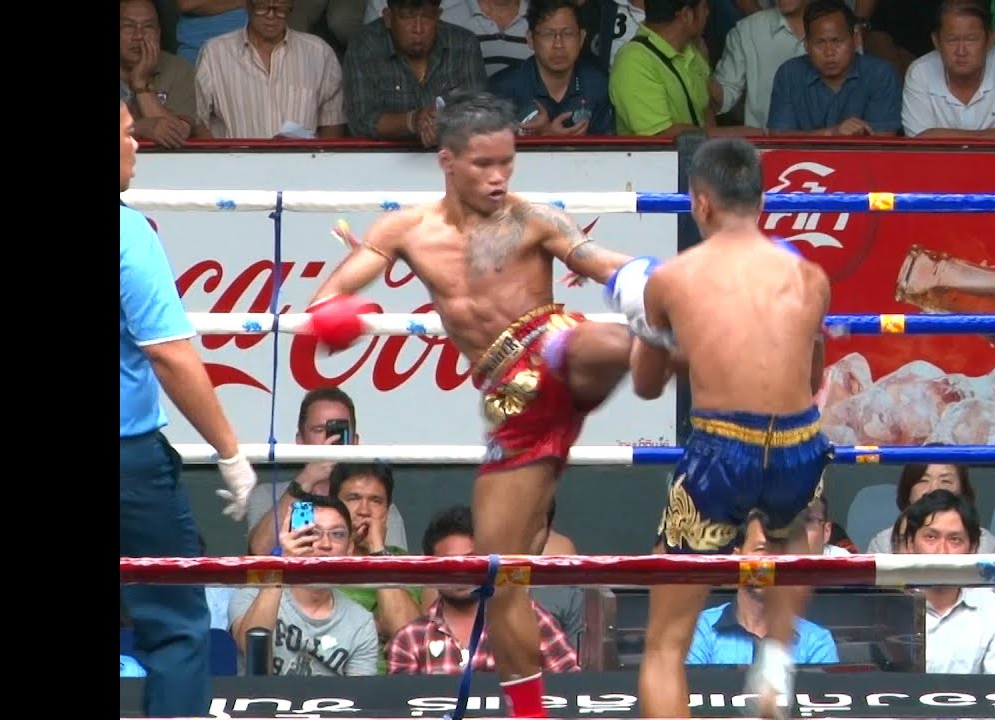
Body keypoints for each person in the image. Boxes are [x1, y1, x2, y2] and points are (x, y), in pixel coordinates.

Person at [303, 90, 649, 717]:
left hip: (552, 352)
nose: (498, 178)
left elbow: (600, 262)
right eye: (484, 165)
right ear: (447, 162)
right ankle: (529, 713)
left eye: (507, 164)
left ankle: (687, 329)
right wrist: (334, 315)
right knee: (504, 576)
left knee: (602, 336)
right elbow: (332, 293)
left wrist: (652, 281)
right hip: (509, 408)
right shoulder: (405, 230)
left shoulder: (532, 219)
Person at [604, 137, 834, 720]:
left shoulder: (675, 278)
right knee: (785, 535)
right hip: (798, 448)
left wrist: (648, 329)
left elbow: (650, 387)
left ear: (699, 203)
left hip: (720, 450)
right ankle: (777, 661)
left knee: (664, 646)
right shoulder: (810, 277)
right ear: (761, 200)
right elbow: (811, 378)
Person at [119, 99, 257, 717]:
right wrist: (230, 452)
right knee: (175, 621)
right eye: (127, 134)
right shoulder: (127, 234)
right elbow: (172, 356)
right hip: (128, 464)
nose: (137, 145)